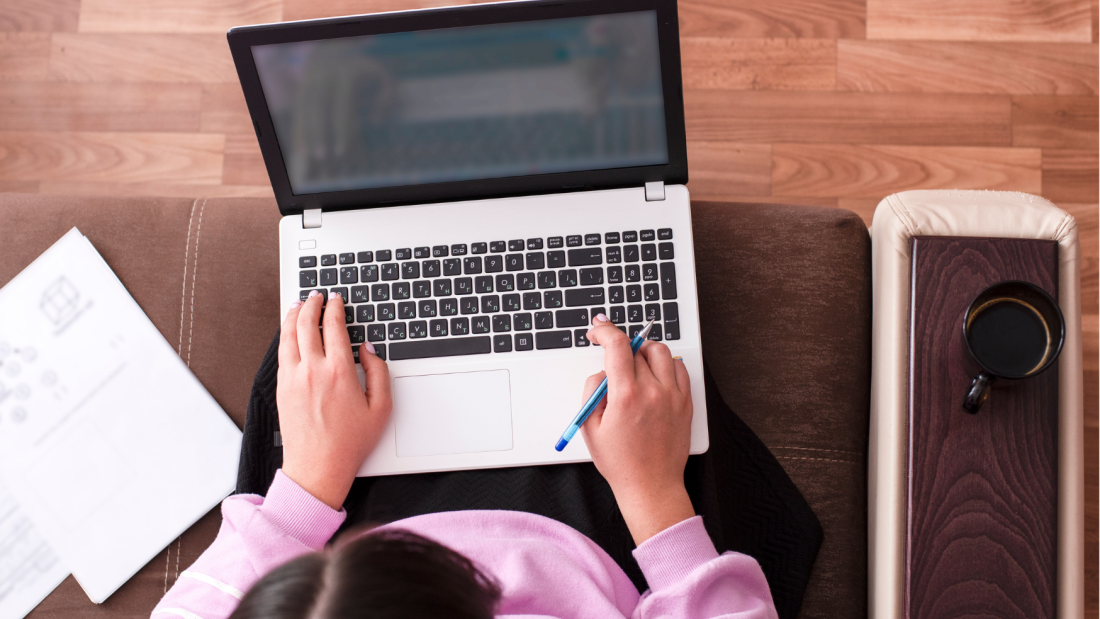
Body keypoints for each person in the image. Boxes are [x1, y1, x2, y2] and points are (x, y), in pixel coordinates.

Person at [151, 290, 778, 619]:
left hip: (332, 494)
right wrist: (656, 496)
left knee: (315, 345)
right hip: (603, 552)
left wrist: (307, 487)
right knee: (654, 369)